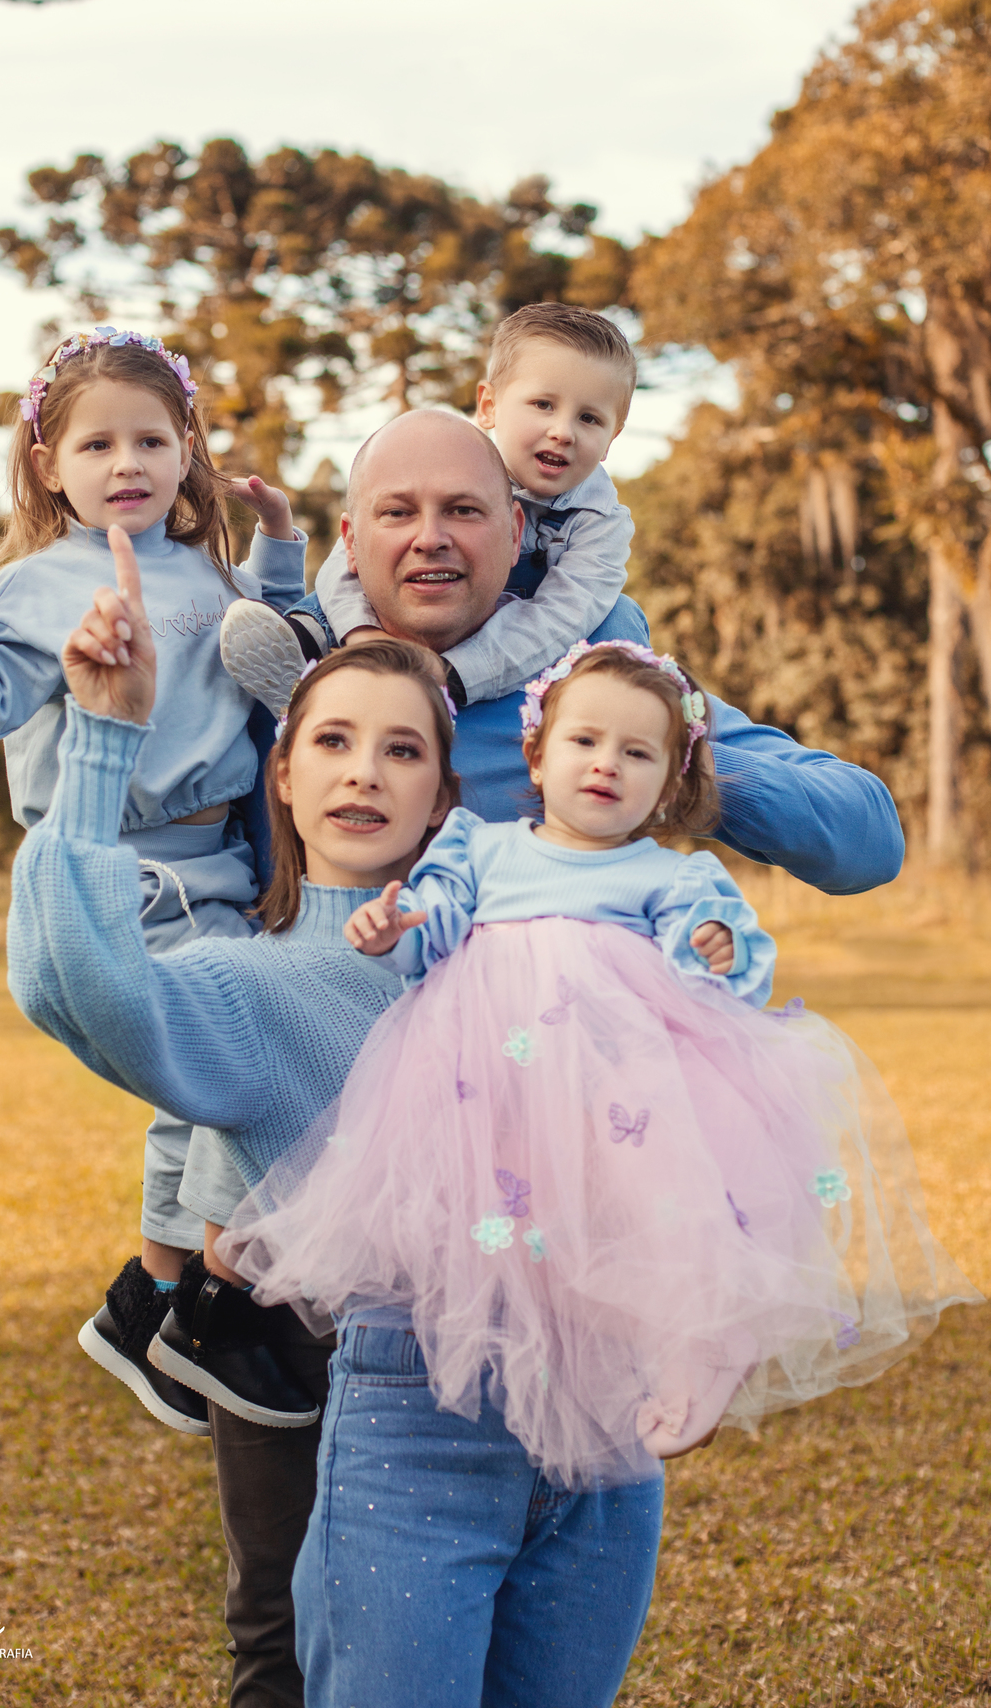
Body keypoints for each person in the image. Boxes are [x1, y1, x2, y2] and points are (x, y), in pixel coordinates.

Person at [6, 551, 668, 1708]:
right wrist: (104, 741)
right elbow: (82, 987)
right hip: (417, 1445)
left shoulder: (526, 937)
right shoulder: (250, 988)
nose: (365, 771)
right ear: (284, 772)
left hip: (601, 1438)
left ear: (443, 794)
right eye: (334, 741)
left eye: (403, 750)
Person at [225, 638, 978, 1490]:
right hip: (487, 1078)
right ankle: (484, 1353)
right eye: (584, 741)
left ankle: (698, 1340)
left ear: (671, 786)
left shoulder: (669, 875)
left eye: (637, 753)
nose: (605, 765)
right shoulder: (480, 845)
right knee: (498, 1222)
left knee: (650, 1205)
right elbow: (433, 929)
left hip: (619, 1083)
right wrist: (394, 931)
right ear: (537, 756)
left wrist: (716, 945)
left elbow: (728, 961)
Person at [0, 325, 312, 1440]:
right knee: (220, 1072)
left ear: (187, 452)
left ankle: (154, 1303)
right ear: (48, 465)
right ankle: (187, 1303)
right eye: (96, 445)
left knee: (217, 1083)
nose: (126, 463)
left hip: (225, 866)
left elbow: (272, 651)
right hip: (118, 871)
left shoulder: (209, 571)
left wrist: (281, 546)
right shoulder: (37, 583)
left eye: (150, 440)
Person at [307, 302, 637, 701]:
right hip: (412, 619)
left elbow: (560, 618)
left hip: (516, 648)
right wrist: (363, 636)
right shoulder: (457, 468)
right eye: (543, 404)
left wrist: (452, 674)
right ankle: (301, 641)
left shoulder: (601, 522)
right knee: (343, 588)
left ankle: (625, 708)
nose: (563, 432)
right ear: (489, 407)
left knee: (618, 618)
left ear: (611, 439)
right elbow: (352, 552)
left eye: (589, 419)